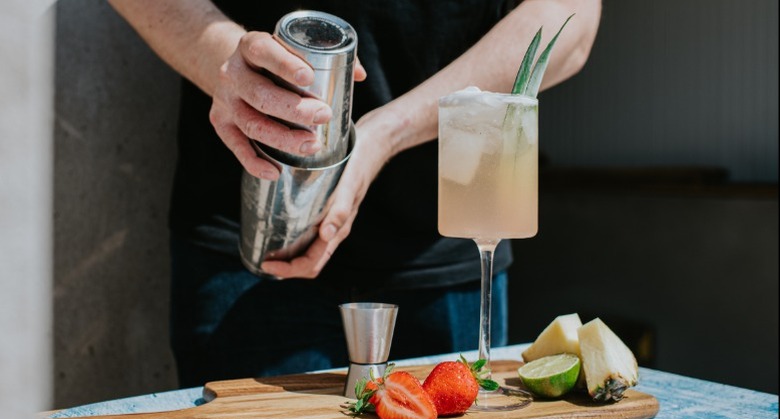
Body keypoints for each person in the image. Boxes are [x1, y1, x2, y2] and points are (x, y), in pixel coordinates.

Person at [108, 0, 601, 387]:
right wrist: (229, 64)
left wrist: (390, 128)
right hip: (255, 243)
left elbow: (569, 14)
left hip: (443, 252)